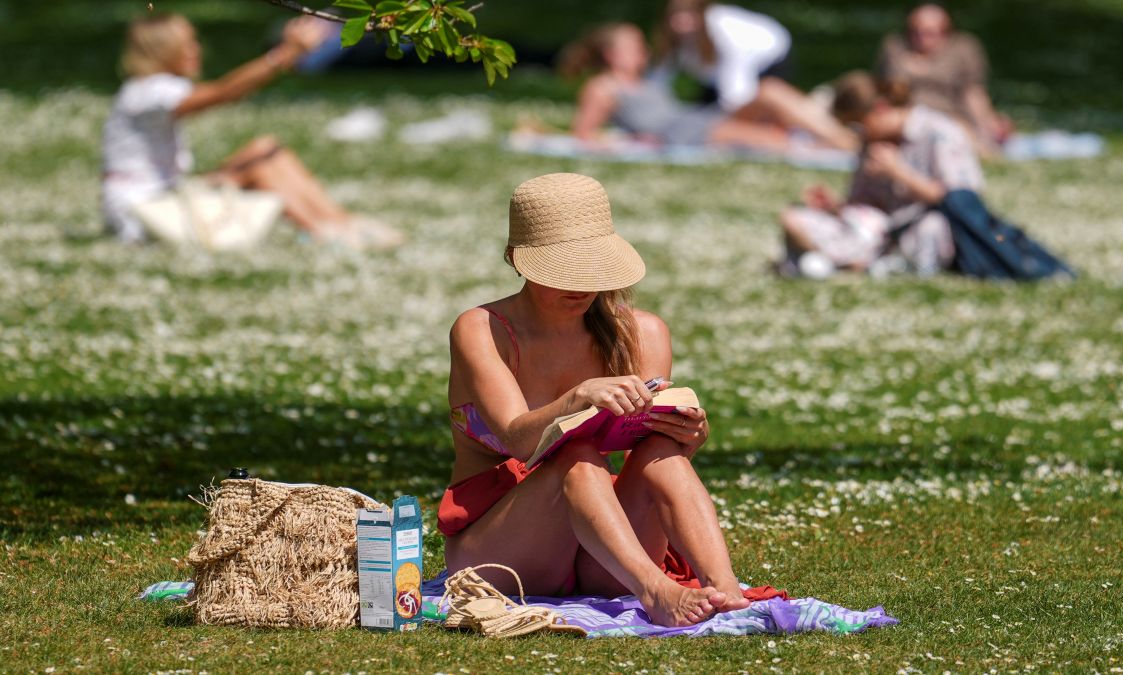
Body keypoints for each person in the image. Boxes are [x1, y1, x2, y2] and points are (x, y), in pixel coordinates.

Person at [440, 172, 753, 627]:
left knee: (662, 452)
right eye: (562, 270)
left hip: (604, 552)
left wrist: (688, 436)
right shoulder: (482, 329)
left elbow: (644, 449)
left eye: (592, 268)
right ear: (516, 259)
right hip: (502, 555)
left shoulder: (642, 333)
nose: (581, 285)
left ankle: (725, 589)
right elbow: (517, 439)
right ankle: (657, 591)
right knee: (578, 456)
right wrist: (578, 398)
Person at [102, 13, 402, 248]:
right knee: (260, 164)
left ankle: (340, 223)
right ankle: (326, 233)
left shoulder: (149, 90)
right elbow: (222, 93)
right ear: (163, 50)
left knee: (265, 148)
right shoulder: (147, 92)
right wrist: (284, 55)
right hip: (143, 213)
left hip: (164, 197)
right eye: (187, 44)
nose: (196, 50)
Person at [778, 71, 984, 277]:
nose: (858, 134)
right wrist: (833, 207)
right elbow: (863, 207)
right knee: (794, 218)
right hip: (877, 233)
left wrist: (899, 173)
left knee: (932, 225)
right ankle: (848, 263)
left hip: (924, 228)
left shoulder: (939, 131)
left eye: (858, 126)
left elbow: (961, 200)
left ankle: (844, 263)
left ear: (880, 109)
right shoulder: (871, 143)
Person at [561, 23, 857, 152]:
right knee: (776, 139)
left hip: (697, 120)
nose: (643, 51)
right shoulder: (602, 87)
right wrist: (625, 143)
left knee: (770, 91)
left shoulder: (647, 79)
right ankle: (846, 143)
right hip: (681, 134)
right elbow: (584, 134)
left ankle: (843, 138)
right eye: (634, 46)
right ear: (612, 54)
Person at [876, 4, 1012, 154]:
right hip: (907, 114)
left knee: (962, 136)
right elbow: (885, 90)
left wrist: (987, 122)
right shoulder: (895, 48)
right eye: (915, 32)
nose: (921, 38)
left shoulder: (962, 48)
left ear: (945, 32)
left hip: (949, 115)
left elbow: (973, 93)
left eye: (929, 33)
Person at [653, 0, 791, 112]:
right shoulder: (675, 42)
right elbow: (660, 76)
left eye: (688, 17)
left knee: (761, 106)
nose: (683, 24)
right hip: (720, 79)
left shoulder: (724, 29)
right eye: (677, 17)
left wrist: (734, 111)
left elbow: (737, 77)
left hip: (768, 60)